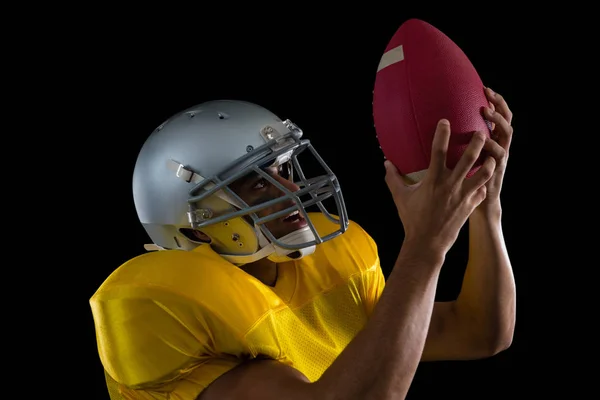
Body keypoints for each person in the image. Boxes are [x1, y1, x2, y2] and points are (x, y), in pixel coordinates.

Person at [90, 88, 516, 400]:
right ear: (196, 226)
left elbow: (480, 332)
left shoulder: (330, 266)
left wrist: (484, 206)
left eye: (282, 169)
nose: (290, 190)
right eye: (258, 183)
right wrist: (424, 249)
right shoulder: (161, 308)